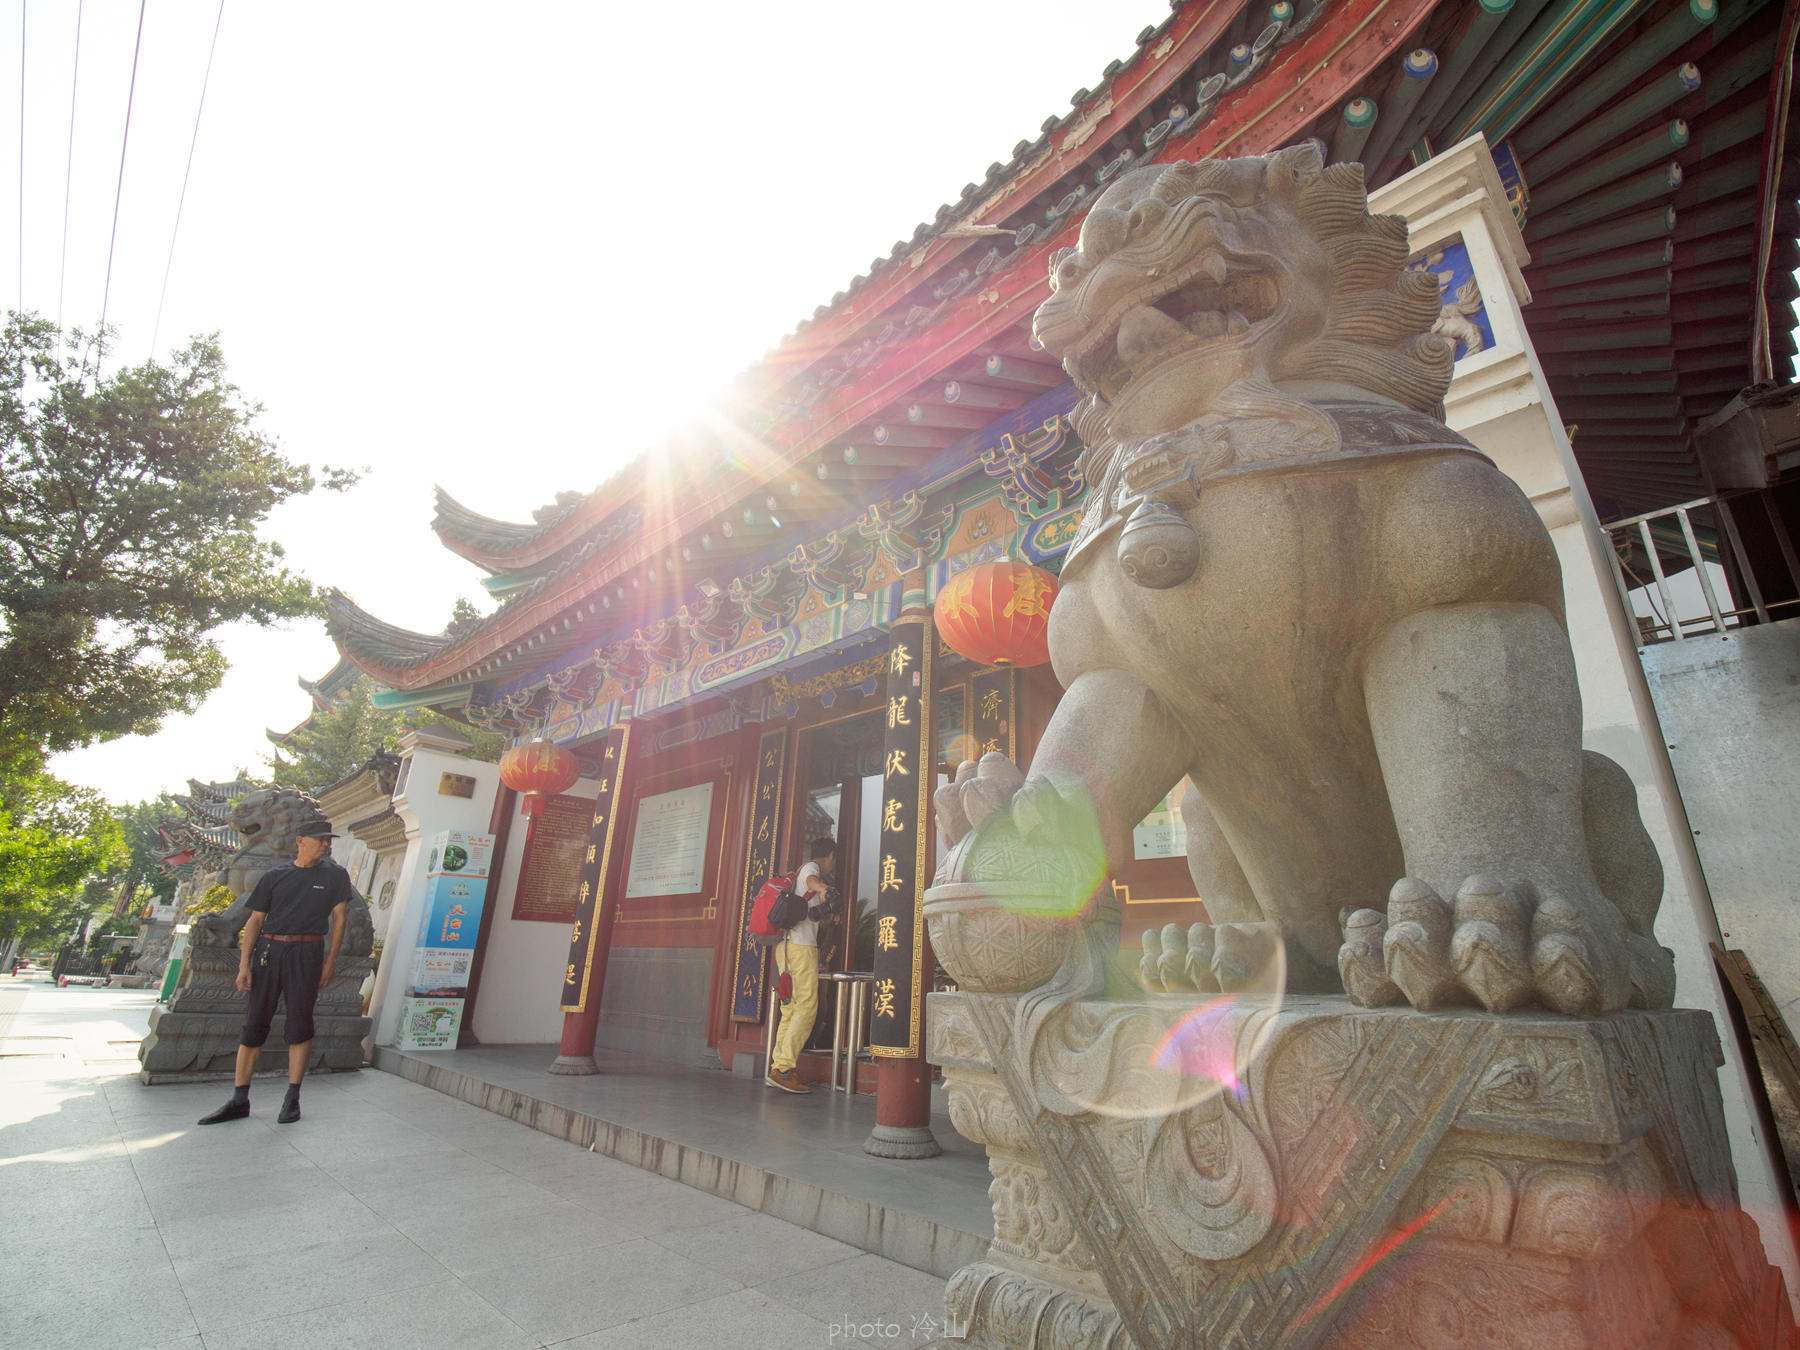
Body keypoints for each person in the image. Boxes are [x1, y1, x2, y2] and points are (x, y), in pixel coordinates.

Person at [198, 821, 352, 1125]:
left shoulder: (335, 875)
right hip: (269, 951)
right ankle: (239, 1099)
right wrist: (244, 964)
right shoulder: (275, 876)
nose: (326, 844)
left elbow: (340, 919)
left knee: (300, 1024)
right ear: (300, 841)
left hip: (307, 953)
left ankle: (292, 1098)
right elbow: (255, 921)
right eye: (319, 839)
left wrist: (331, 961)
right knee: (254, 1023)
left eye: (328, 840)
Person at [766, 837, 836, 1094]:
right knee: (807, 1008)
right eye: (833, 859)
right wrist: (822, 889)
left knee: (791, 1008)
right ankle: (783, 1069)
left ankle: (778, 1067)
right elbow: (812, 880)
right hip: (801, 948)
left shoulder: (796, 876)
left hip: (785, 947)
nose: (832, 864)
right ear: (829, 855)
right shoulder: (811, 869)